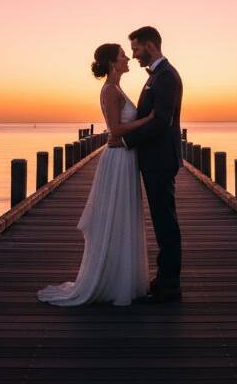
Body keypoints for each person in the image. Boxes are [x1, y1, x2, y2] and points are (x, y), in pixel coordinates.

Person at [37, 43, 152, 306]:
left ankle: (122, 277)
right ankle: (110, 279)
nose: (127, 58)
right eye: (123, 55)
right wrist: (149, 119)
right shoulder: (111, 90)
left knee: (123, 215)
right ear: (113, 63)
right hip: (118, 158)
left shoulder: (116, 88)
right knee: (116, 215)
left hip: (124, 158)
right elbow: (115, 129)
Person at [116, 26, 184, 303]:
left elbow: (161, 120)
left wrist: (126, 141)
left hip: (160, 159)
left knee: (166, 222)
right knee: (161, 220)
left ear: (150, 46)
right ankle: (164, 278)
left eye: (136, 49)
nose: (133, 55)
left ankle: (170, 285)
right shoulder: (157, 76)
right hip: (154, 159)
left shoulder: (166, 76)